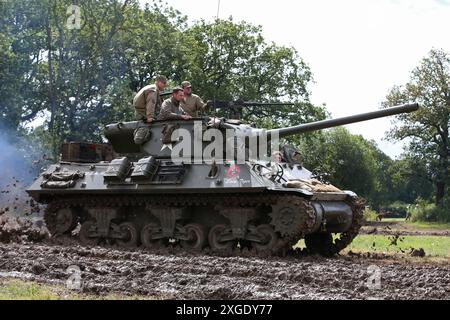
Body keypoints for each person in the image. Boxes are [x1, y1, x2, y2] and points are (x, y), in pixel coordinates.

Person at [132, 75, 167, 144]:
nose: (165, 86)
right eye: (164, 83)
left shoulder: (151, 88)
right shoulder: (153, 90)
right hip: (143, 112)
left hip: (140, 112)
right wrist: (150, 117)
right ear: (159, 82)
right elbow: (151, 103)